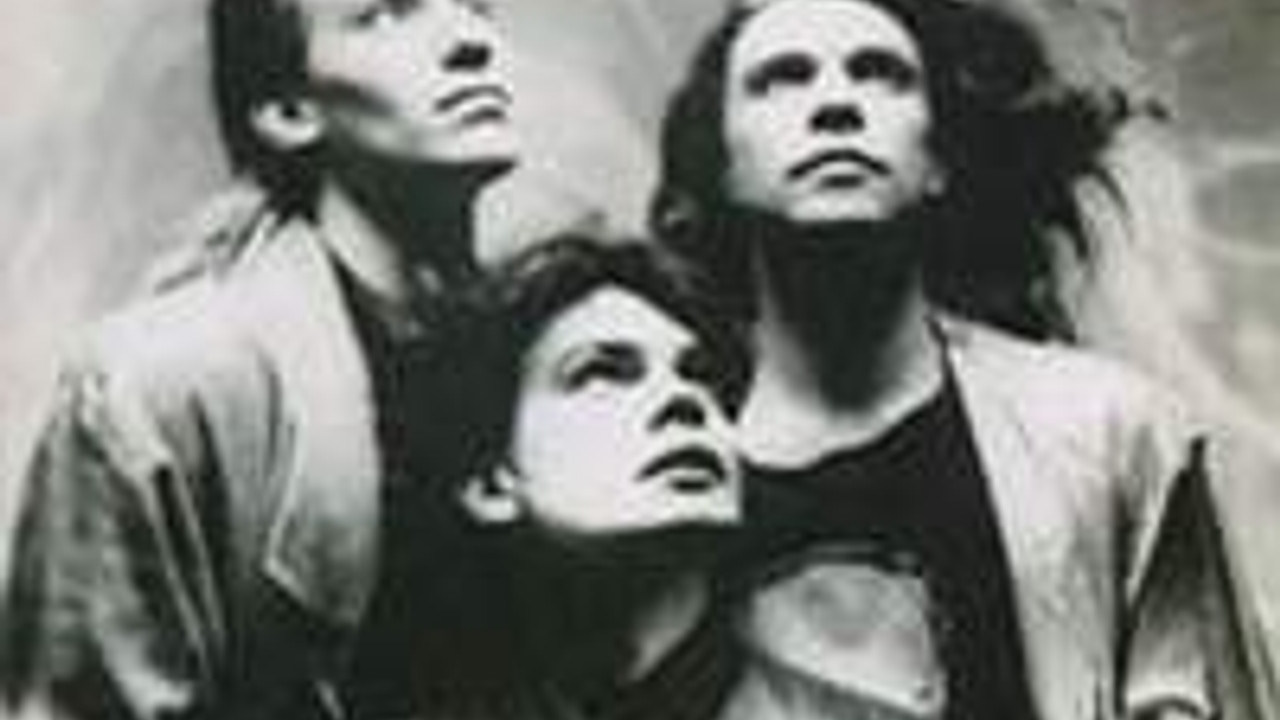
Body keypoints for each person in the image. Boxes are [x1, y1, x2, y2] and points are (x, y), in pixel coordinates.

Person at [652, 0, 1235, 719]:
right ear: (719, 167)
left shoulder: (1111, 432)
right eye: (783, 78)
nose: (835, 104)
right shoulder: (657, 464)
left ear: (938, 161)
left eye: (879, 73)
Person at [1, 0, 521, 717]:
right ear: (288, 110)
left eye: (475, 5)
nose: (470, 41)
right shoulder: (158, 382)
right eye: (385, 14)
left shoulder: (550, 359)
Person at [343, 237, 752, 720]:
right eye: (600, 374)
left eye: (700, 375)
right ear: (492, 482)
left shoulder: (822, 672)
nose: (684, 400)